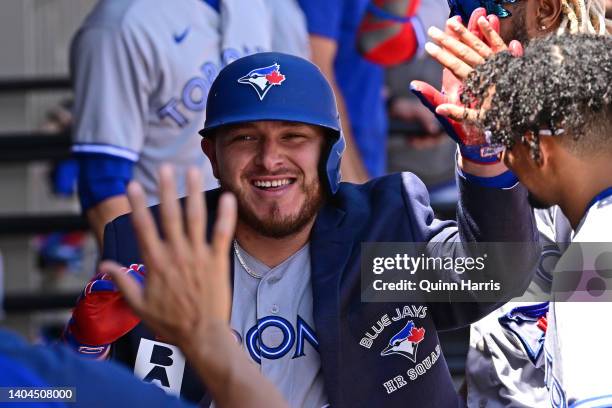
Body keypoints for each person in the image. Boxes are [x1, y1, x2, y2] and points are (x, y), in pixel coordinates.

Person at [65, 51, 540, 406]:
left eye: (294, 137)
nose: (270, 159)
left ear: (330, 151)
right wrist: (85, 352)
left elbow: (495, 273)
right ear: (211, 155)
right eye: (245, 138)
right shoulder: (152, 247)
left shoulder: (375, 230)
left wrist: (484, 154)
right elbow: (36, 395)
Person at [412, 0, 609, 403]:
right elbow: (489, 295)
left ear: (546, 11)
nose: (461, 23)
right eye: (453, 5)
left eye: (475, 4)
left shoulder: (558, 140)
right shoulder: (494, 126)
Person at [0, 174, 286, 408]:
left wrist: (85, 349)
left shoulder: (18, 378)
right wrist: (209, 340)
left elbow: (58, 392)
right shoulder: (18, 376)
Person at [70, 0, 273, 247]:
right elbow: (101, 182)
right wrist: (146, 275)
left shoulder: (253, 7)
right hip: (168, 252)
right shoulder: (119, 24)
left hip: (251, 254)